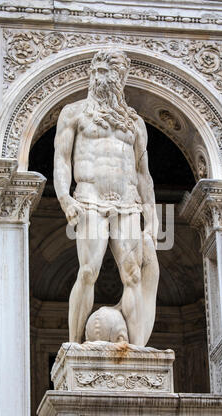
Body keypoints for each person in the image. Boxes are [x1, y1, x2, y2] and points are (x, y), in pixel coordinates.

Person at [54, 50, 159, 346]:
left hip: (127, 203)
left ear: (121, 78)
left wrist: (151, 221)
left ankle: (136, 348)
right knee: (88, 271)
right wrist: (65, 198)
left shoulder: (135, 123)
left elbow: (143, 175)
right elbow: (62, 159)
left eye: (107, 72)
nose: (99, 77)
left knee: (134, 276)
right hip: (89, 199)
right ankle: (74, 346)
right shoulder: (74, 113)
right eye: (96, 70)